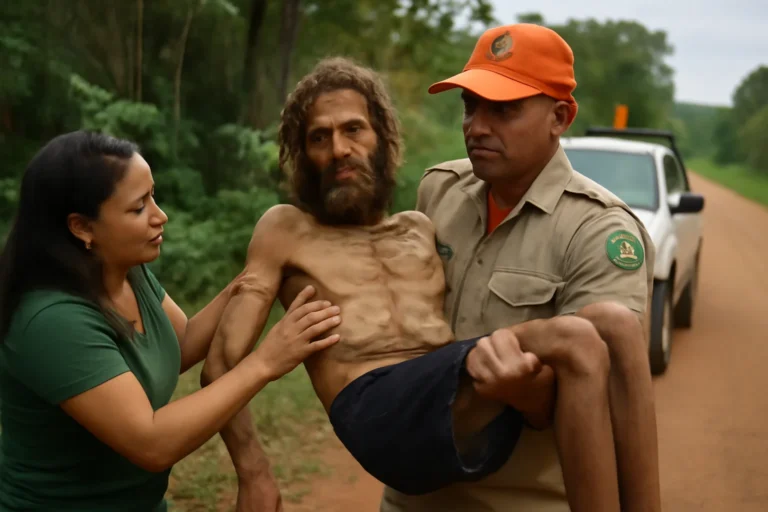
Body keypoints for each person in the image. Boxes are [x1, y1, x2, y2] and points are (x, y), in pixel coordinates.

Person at [201, 52, 655, 511]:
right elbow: (219, 362)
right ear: (301, 154)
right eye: (320, 137)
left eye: (353, 130)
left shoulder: (419, 226)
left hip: (461, 424)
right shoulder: (286, 228)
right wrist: (254, 473)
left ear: (382, 137)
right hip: (376, 412)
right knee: (577, 338)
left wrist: (530, 394)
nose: (339, 149)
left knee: (616, 324)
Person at [378, 23, 662, 512]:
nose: (477, 126)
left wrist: (527, 395)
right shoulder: (439, 191)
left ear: (560, 116)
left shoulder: (599, 233)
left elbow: (606, 396)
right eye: (470, 106)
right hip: (413, 496)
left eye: (504, 109)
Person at [0, 131, 340, 512]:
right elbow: (152, 443)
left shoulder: (125, 271)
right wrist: (265, 363)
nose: (160, 216)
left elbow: (180, 344)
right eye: (138, 207)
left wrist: (254, 278)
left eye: (153, 196)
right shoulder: (52, 321)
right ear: (82, 227)